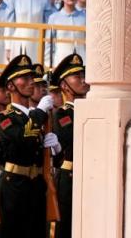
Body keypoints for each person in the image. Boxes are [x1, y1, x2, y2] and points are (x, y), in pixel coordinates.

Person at [0, 53, 59, 236]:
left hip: (36, 185)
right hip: (13, 185)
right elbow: (23, 138)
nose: (31, 82)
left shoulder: (34, 117)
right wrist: (40, 112)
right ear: (11, 86)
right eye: (24, 78)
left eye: (32, 77)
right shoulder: (4, 117)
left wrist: (55, 148)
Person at [48, 52, 86, 235]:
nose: (83, 80)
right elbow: (73, 137)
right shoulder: (62, 114)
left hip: (90, 174)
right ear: (64, 85)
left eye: (83, 75)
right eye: (77, 76)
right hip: (70, 176)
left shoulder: (92, 111)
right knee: (67, 227)